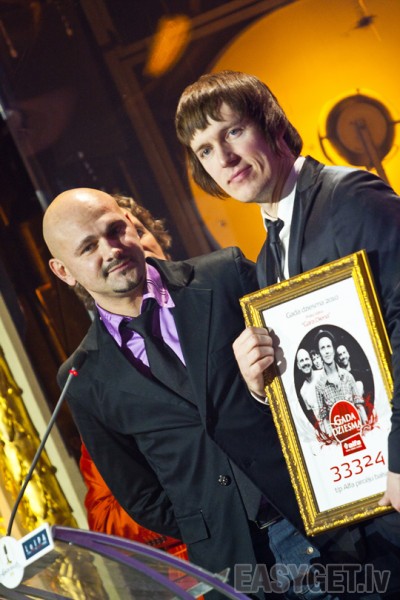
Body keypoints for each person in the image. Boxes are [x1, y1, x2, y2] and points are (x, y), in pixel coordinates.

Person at [175, 69, 400, 594]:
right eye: (204, 150)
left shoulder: (349, 196)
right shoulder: (267, 257)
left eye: (232, 131)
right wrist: (263, 386)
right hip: (367, 509)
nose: (223, 157)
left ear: (273, 125)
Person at [45, 188, 318, 600]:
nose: (112, 249)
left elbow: (305, 365)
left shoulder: (224, 275)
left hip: (317, 522)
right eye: (88, 247)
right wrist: (211, 521)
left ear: (129, 221)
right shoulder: (82, 377)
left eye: (115, 230)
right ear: (63, 271)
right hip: (234, 570)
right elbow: (141, 498)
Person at [76, 194, 187, 560]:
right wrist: (196, 500)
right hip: (202, 560)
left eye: (131, 232)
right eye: (92, 246)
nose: (120, 249)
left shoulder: (221, 291)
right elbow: (105, 519)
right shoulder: (97, 386)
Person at [313, 330, 367, 429]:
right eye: (322, 348)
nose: (327, 351)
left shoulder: (348, 376)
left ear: (334, 349)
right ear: (319, 353)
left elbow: (360, 407)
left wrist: (367, 428)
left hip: (357, 428)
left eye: (329, 346)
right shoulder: (319, 385)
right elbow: (325, 419)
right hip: (339, 433)